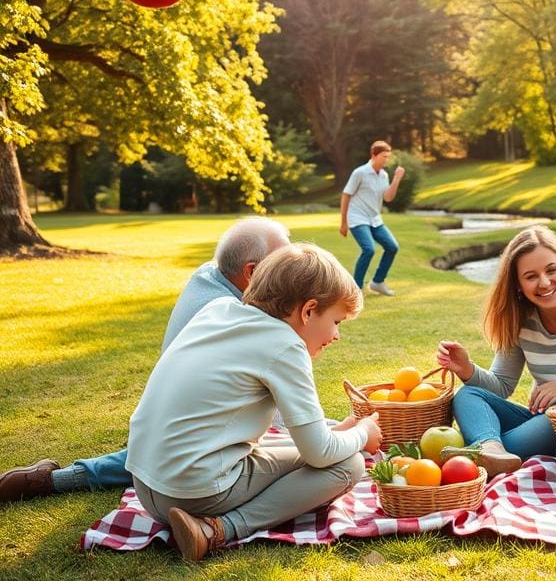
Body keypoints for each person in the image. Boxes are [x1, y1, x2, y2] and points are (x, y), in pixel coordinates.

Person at [0, 217, 291, 503]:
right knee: (179, 458)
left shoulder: (210, 276)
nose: (294, 271)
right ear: (251, 272)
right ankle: (54, 480)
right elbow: (275, 411)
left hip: (167, 425)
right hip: (190, 439)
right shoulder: (228, 316)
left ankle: (52, 479)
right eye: (285, 264)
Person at [126, 242, 383, 561]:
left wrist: (336, 435)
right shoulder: (285, 345)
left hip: (146, 484)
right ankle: (217, 530)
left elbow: (309, 446)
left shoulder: (218, 310)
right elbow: (318, 454)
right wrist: (361, 434)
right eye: (337, 321)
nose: (336, 335)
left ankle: (209, 524)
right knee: (348, 465)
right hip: (193, 494)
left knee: (287, 443)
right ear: (308, 310)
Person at [436, 226, 556, 476]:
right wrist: (466, 369)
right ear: (518, 285)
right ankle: (490, 448)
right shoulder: (520, 318)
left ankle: (481, 451)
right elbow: (501, 385)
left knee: (511, 440)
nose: (544, 282)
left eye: (551, 270)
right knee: (467, 395)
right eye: (531, 276)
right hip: (542, 418)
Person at [339, 140, 405, 296]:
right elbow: (346, 195)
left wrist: (396, 179)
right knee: (369, 249)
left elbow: (388, 198)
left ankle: (377, 283)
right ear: (374, 155)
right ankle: (356, 289)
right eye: (384, 156)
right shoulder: (360, 173)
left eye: (388, 157)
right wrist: (344, 222)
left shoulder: (384, 175)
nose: (386, 160)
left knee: (392, 247)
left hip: (375, 219)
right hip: (357, 218)